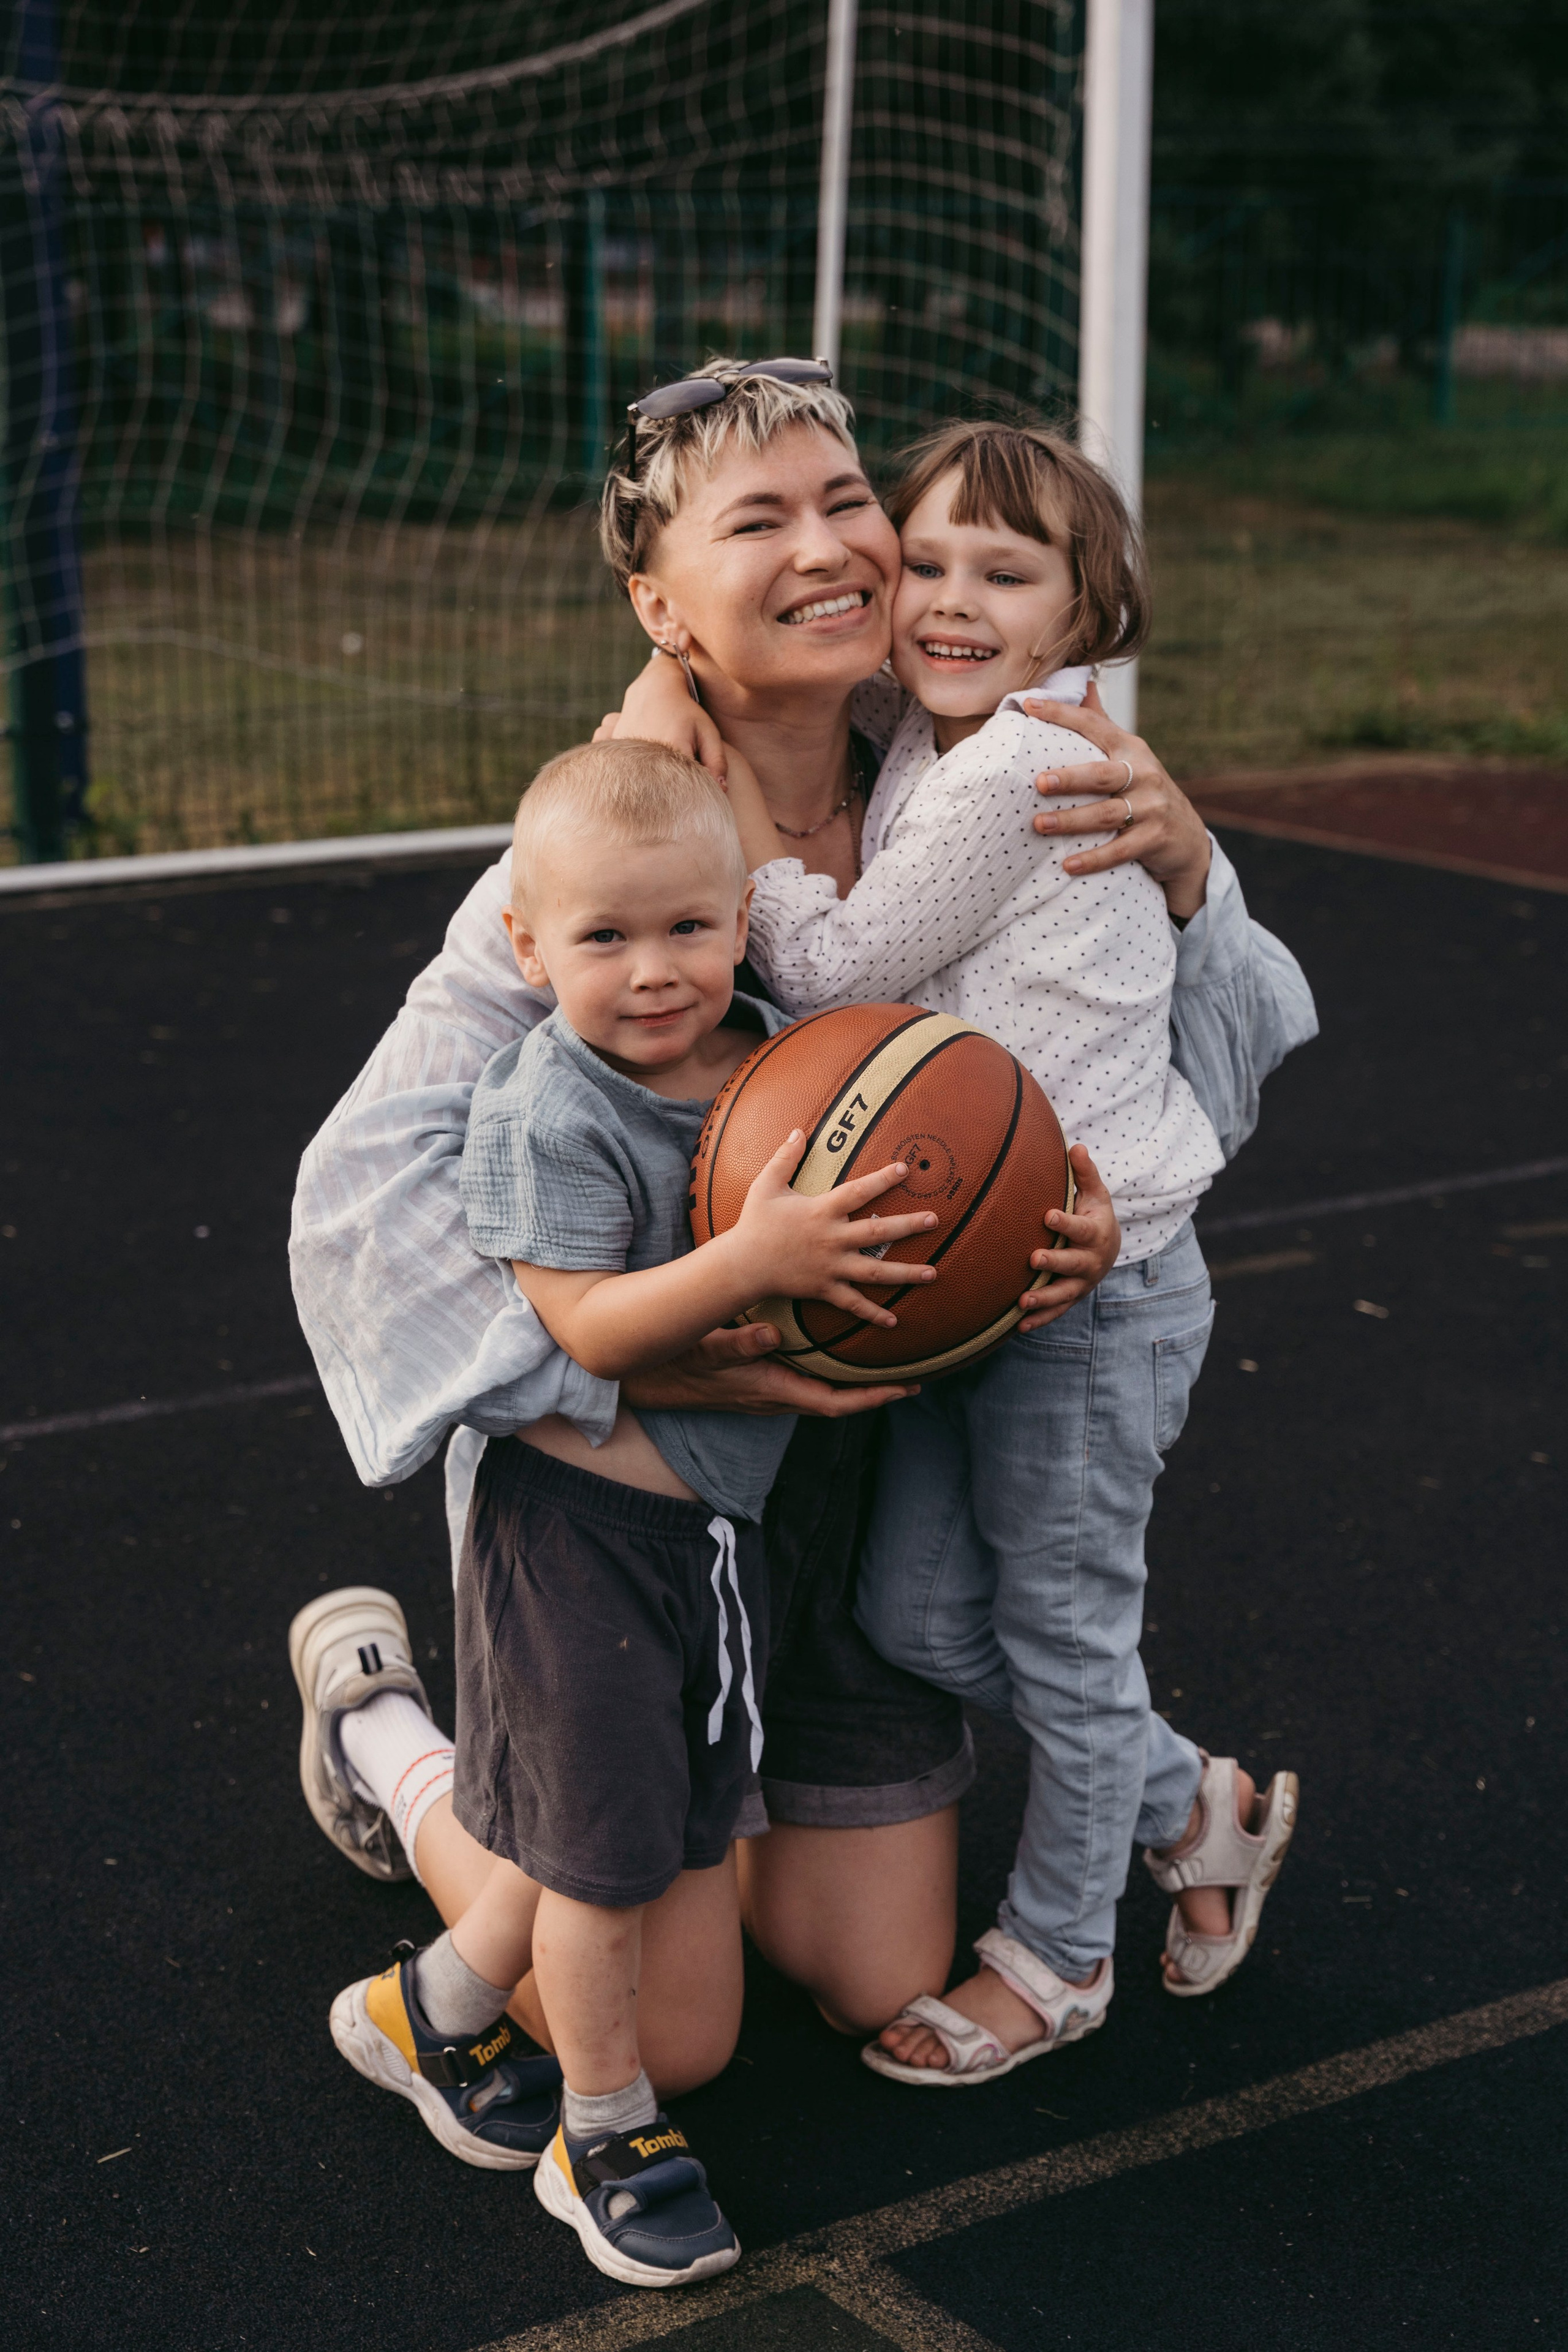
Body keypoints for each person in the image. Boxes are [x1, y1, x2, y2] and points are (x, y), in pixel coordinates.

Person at [288, 359, 1314, 2097]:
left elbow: (1215, 1040)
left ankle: (692, 1826)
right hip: (642, 1493)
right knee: (667, 2041)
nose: (838, 547)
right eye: (759, 519)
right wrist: (677, 1349)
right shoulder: (610, 857)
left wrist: (1195, 877)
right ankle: (390, 1737)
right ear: (656, 603)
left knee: (869, 1970)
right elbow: (357, 1210)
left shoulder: (970, 761)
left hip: (872, 1474)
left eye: (851, 503)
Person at [715, 420, 1299, 2084]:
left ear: (1080, 610)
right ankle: (1193, 1804)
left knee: (1060, 1634)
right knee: (916, 1614)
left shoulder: (1016, 767)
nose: (955, 599)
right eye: (932, 561)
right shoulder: (937, 726)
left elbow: (832, 972)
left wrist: (727, 817)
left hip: (1092, 1291)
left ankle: (1058, 1964)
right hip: (994, 1285)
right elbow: (856, 698)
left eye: (1007, 571)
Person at [329, 739, 947, 2282]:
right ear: (528, 950)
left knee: (625, 1815)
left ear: (743, 922)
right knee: (604, 1858)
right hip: (576, 1541)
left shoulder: (779, 1059)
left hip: (713, 1550)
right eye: (602, 939)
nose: (651, 971)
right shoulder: (547, 1103)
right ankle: (601, 2132)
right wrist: (756, 1262)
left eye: (684, 928)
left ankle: (428, 2010)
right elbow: (589, 1332)